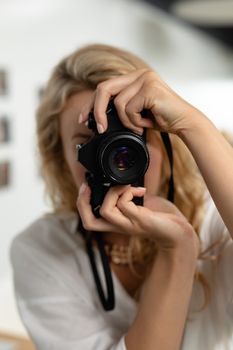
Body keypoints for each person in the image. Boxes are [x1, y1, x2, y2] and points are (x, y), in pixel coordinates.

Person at [10, 44, 233, 350]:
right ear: (60, 160)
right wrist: (177, 248)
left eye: (131, 134)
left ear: (165, 147)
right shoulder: (42, 251)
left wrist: (192, 123)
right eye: (88, 143)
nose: (113, 157)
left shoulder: (215, 217)